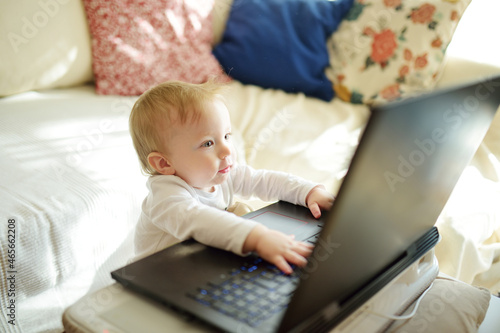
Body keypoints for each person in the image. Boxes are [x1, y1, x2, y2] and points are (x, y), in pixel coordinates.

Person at [129, 80, 334, 274]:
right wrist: (258, 238)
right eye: (208, 143)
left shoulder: (219, 173)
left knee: (244, 213)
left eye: (226, 136)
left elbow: (262, 180)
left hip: (197, 260)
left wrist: (308, 192)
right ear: (164, 164)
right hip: (159, 275)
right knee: (243, 222)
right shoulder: (165, 197)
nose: (227, 150)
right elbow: (198, 219)